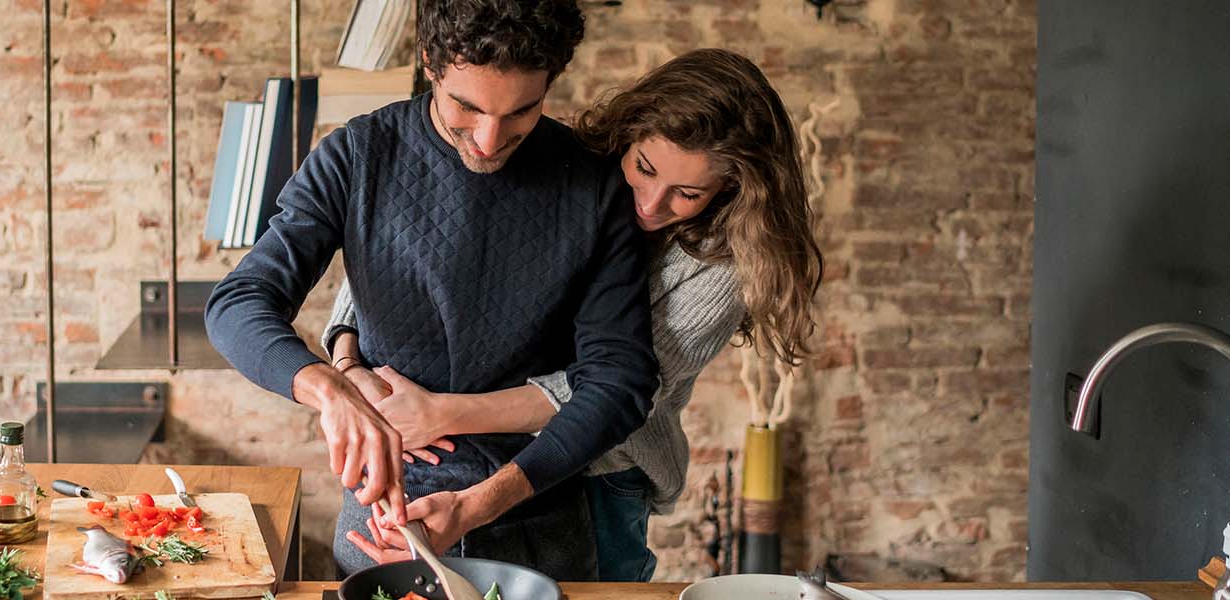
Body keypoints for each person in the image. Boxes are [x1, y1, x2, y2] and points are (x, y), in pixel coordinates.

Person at [204, 0, 661, 581]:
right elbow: (238, 302)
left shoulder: (594, 186)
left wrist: (477, 505)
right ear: (430, 62)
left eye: (522, 111)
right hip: (383, 523)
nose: (491, 140)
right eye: (465, 108)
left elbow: (620, 380)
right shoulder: (356, 156)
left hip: (538, 522)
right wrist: (331, 389)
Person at [331, 48, 825, 582]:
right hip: (466, 446)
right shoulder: (565, 171)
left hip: (603, 473)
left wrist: (442, 413)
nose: (650, 203)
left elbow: (612, 391)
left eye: (687, 193)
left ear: (732, 190)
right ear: (629, 135)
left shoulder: (724, 269)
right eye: (644, 168)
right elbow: (400, 258)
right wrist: (347, 360)